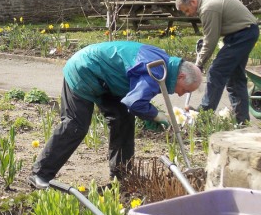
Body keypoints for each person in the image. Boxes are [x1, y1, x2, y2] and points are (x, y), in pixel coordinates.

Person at [29, 41, 203, 189]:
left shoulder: (164, 66)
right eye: (185, 90)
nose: (181, 95)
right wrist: (156, 115)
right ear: (180, 76)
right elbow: (135, 102)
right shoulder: (155, 72)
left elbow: (134, 100)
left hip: (107, 79)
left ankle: (121, 176)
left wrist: (150, 116)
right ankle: (40, 174)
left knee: (123, 120)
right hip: (84, 69)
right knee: (75, 125)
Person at [175, 0, 259, 124]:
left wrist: (198, 65)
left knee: (216, 71)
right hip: (244, 32)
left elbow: (210, 41)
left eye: (186, 10)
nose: (188, 14)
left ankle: (203, 115)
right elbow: (210, 34)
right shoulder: (208, 0)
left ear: (193, 2)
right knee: (235, 78)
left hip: (242, 35)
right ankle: (242, 121)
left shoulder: (208, 8)